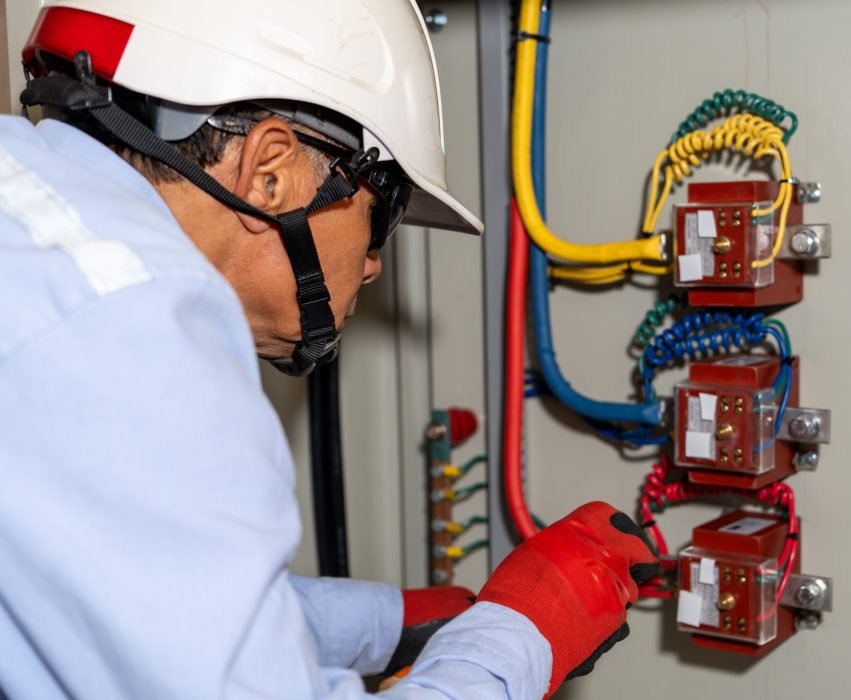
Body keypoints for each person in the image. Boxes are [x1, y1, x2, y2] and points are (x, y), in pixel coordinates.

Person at [0, 1, 658, 698]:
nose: (373, 265)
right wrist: (526, 631)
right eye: (383, 212)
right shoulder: (138, 333)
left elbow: (133, 602)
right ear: (272, 174)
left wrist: (381, 622)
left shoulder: (43, 240)